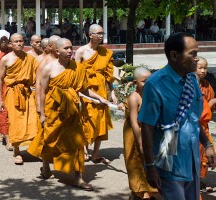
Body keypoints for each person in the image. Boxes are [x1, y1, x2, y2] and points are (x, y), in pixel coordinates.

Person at [139, 32, 216, 200]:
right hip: (169, 161)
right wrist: (150, 166)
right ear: (174, 55)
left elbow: (193, 118)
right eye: (192, 54)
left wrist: (207, 144)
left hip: (192, 158)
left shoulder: (192, 80)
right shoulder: (155, 84)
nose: (196, 59)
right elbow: (147, 126)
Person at [29, 38, 110, 190]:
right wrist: (41, 113)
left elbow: (84, 89)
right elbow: (43, 92)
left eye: (71, 48)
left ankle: (78, 177)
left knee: (78, 142)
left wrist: (100, 98)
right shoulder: (48, 69)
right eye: (66, 48)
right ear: (57, 51)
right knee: (49, 139)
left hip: (72, 112)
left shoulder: (77, 68)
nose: (69, 51)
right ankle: (46, 167)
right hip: (54, 111)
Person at [75, 24, 117, 163]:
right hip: (86, 89)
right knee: (87, 118)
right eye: (98, 33)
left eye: (102, 33)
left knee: (101, 120)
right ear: (90, 35)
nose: (100, 36)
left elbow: (108, 75)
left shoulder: (106, 53)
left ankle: (96, 153)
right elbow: (75, 73)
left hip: (102, 89)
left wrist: (113, 92)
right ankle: (85, 149)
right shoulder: (81, 52)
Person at [0, 33, 38, 165]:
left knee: (32, 119)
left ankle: (34, 149)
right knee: (15, 122)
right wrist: (0, 99)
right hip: (12, 92)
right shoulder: (6, 59)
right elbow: (0, 79)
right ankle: (16, 151)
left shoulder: (30, 58)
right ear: (11, 44)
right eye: (16, 42)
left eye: (21, 41)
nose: (19, 44)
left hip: (26, 92)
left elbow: (38, 74)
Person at [123, 67, 161, 199]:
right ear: (135, 83)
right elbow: (134, 122)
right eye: (144, 81)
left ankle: (149, 191)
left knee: (150, 162)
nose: (148, 84)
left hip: (149, 133)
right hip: (134, 135)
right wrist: (140, 142)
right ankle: (138, 192)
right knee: (136, 163)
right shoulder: (134, 97)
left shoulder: (151, 95)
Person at [195, 56, 216, 192]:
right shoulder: (190, 85)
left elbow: (208, 112)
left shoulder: (206, 85)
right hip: (194, 126)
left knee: (204, 154)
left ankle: (198, 181)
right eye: (200, 67)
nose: (203, 70)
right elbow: (201, 110)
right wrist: (212, 103)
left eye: (205, 67)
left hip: (204, 127)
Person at [35, 35, 60, 114]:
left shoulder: (65, 59)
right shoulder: (44, 62)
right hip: (50, 98)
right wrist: (38, 104)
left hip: (66, 99)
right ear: (50, 46)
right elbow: (38, 84)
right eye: (57, 44)